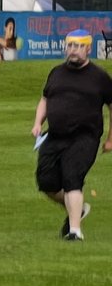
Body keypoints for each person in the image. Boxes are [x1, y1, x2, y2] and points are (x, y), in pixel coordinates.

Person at [31, 28, 112, 241]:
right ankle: (79, 208)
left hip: (85, 137)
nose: (73, 51)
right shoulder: (56, 72)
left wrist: (111, 138)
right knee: (46, 182)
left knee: (72, 177)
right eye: (70, 46)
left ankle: (75, 231)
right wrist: (38, 122)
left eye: (78, 47)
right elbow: (45, 99)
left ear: (88, 48)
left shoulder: (100, 77)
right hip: (55, 136)